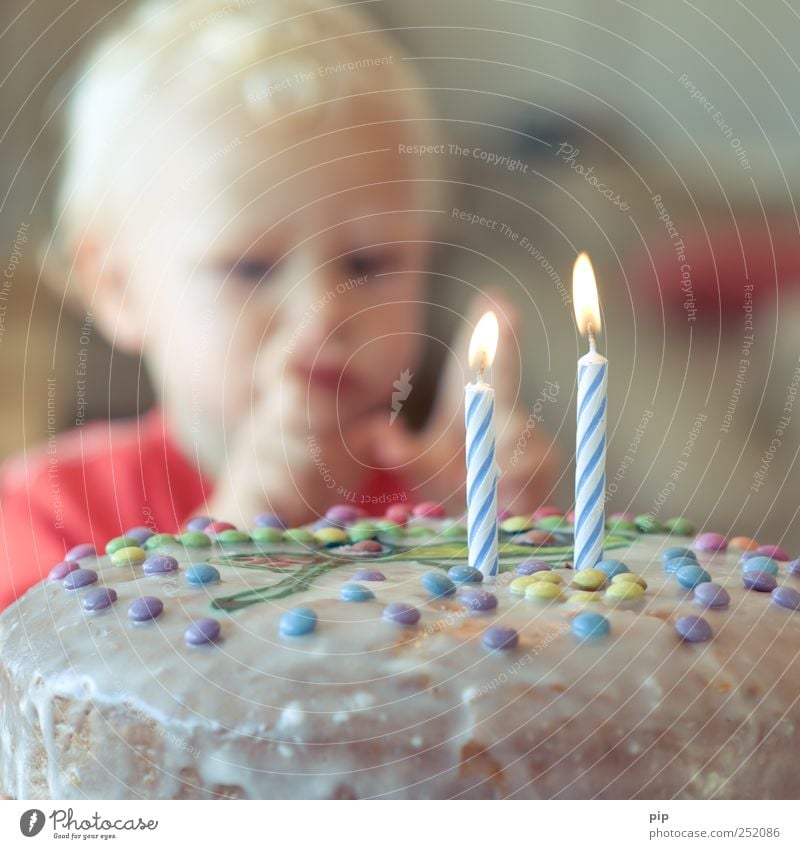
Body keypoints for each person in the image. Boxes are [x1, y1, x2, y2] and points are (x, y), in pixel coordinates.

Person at [0, 0, 556, 609]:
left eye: (369, 263)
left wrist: (500, 545)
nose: (321, 312)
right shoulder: (46, 510)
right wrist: (240, 528)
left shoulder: (445, 502)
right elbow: (48, 685)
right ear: (117, 287)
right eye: (250, 267)